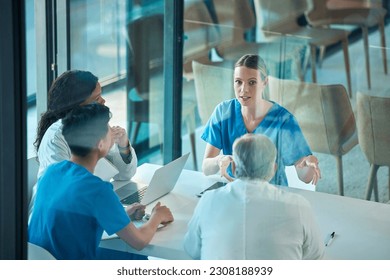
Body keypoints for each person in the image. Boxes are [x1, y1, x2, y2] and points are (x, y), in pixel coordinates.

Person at [28, 103, 174, 260]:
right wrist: (156, 217)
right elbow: (139, 241)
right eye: (107, 129)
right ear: (100, 144)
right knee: (136, 257)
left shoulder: (52, 172)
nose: (112, 131)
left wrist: (122, 214)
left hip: (36, 263)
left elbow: (74, 217)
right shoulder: (98, 190)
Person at [184, 133, 325, 259]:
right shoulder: (298, 206)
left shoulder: (208, 201)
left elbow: (192, 249)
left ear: (233, 168)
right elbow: (315, 255)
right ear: (273, 169)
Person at [201, 54, 321, 186]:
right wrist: (219, 161)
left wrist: (308, 163)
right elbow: (206, 168)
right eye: (238, 82)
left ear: (265, 83)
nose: (244, 89)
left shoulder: (283, 120)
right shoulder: (223, 112)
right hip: (234, 191)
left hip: (271, 195)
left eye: (252, 82)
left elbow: (305, 177)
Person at [29, 70, 137, 215]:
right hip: (58, 216)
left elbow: (124, 176)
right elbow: (67, 190)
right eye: (97, 98)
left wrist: (123, 146)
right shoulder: (56, 138)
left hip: (86, 207)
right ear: (77, 105)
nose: (103, 102)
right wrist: (114, 213)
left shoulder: (94, 126)